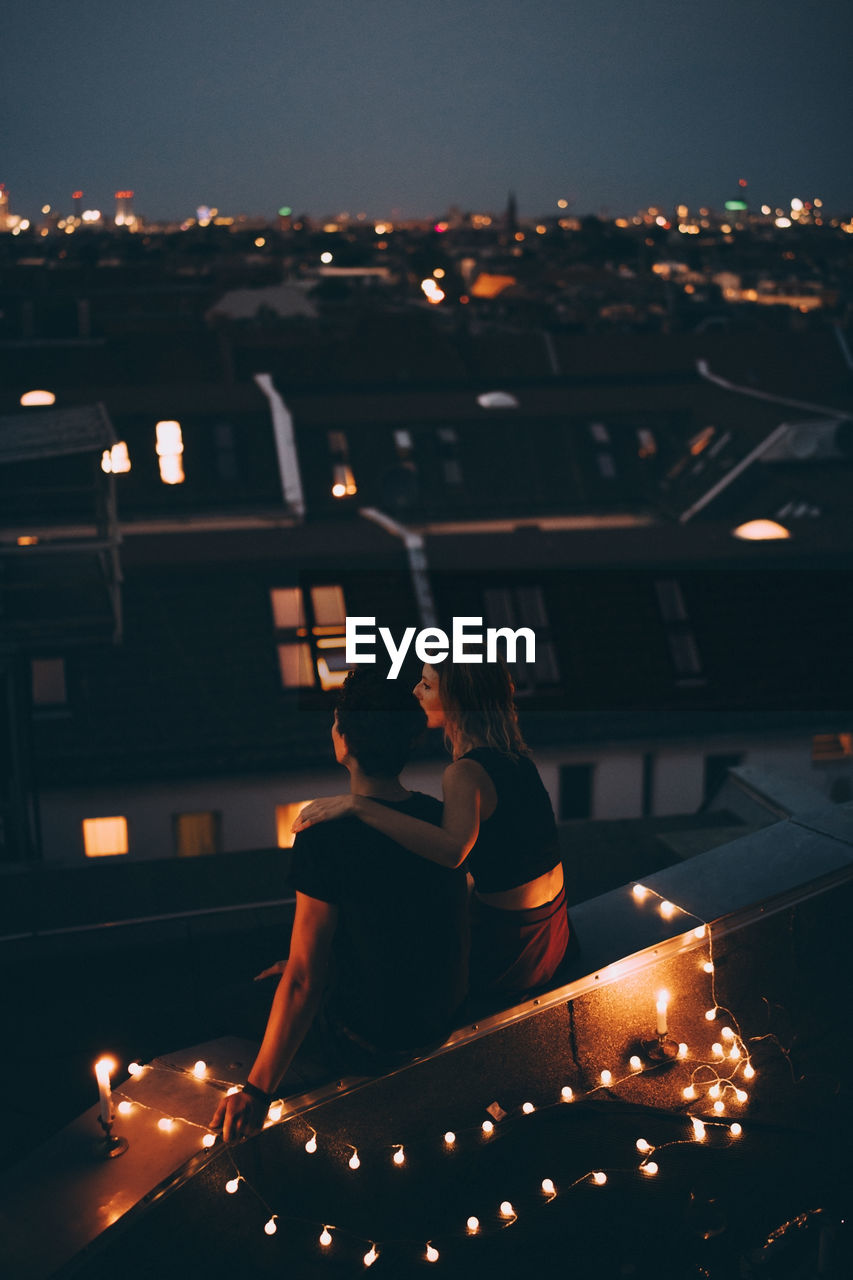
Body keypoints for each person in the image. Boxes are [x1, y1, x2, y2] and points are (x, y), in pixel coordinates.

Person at [211, 668, 468, 1142]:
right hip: (437, 1020)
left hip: (373, 1039)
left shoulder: (324, 836)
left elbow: (305, 978)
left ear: (345, 741)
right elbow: (408, 919)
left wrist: (256, 1091)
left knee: (234, 1003)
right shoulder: (437, 819)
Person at [294, 658, 575, 998]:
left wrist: (358, 804)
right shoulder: (516, 760)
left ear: (457, 700)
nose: (415, 691)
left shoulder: (465, 772)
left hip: (511, 954)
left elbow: (452, 851)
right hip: (555, 935)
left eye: (427, 686)